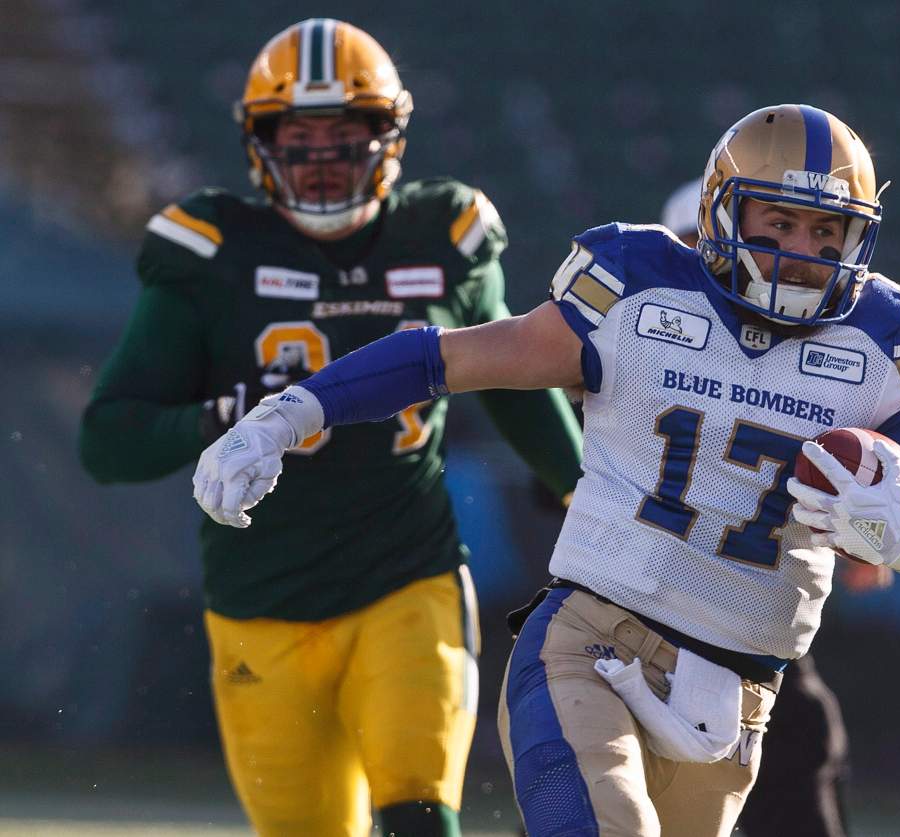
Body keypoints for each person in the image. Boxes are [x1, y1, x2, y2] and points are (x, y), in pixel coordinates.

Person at [192, 104, 900, 837]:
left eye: (827, 233)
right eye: (781, 223)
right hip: (592, 645)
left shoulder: (882, 344)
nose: (802, 254)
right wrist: (292, 412)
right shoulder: (640, 288)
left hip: (736, 701)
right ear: (724, 212)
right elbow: (452, 357)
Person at [79, 19, 583, 837]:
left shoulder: (444, 234)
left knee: (421, 813)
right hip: (259, 601)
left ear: (387, 138)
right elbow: (107, 439)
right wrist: (221, 418)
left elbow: (515, 379)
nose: (319, 158)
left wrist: (582, 484)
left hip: (406, 579)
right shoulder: (212, 251)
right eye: (299, 136)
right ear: (259, 144)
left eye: (343, 135)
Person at [662, 177, 893, 836]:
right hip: (635, 628)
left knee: (798, 743)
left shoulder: (815, 357)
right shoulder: (640, 340)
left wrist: (867, 525)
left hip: (755, 648)